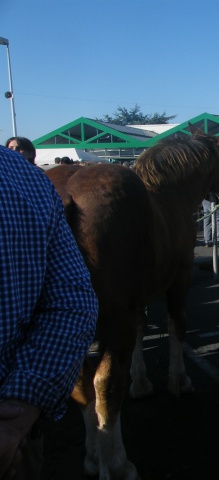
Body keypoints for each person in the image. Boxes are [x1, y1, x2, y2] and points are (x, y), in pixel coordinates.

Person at [0, 145, 98, 479]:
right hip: (14, 432)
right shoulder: (25, 176)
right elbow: (72, 302)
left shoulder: (27, 177)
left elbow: (71, 301)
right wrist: (19, 413)